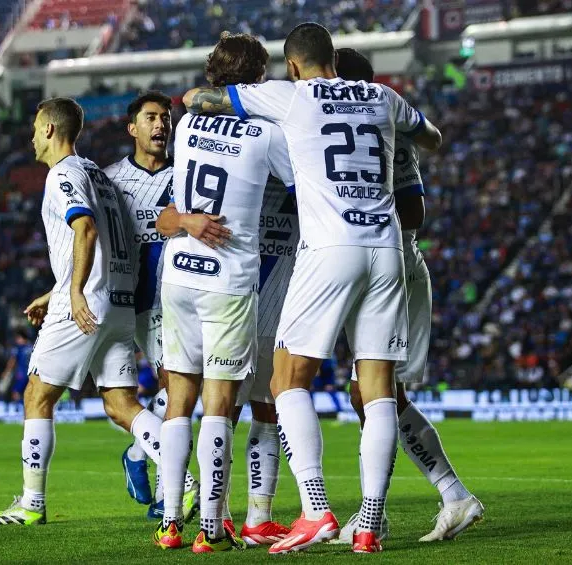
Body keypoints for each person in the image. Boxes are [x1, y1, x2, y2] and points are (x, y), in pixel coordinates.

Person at [182, 22, 442, 554]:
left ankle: (317, 509)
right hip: (388, 248)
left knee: (286, 379)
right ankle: (369, 522)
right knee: (378, 387)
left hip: (329, 248)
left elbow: (200, 98)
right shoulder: (382, 96)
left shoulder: (292, 96)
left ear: (295, 64)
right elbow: (431, 137)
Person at [0, 98, 167, 526]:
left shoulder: (62, 174)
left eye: (33, 127)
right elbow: (105, 242)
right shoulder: (98, 175)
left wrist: (75, 291)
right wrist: (58, 289)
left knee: (37, 394)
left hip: (85, 303)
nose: (30, 137)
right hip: (119, 302)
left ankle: (31, 503)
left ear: (48, 129)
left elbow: (82, 227)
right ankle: (183, 482)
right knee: (121, 404)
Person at [333, 47, 484, 544]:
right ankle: (400, 504)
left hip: (392, 268)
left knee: (376, 394)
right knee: (371, 395)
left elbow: (415, 215)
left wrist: (362, 227)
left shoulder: (389, 134)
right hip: (378, 270)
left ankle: (447, 494)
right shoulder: (383, 128)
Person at [153, 32, 295, 553]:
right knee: (219, 404)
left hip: (179, 274)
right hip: (229, 281)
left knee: (178, 402)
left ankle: (170, 522)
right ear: (259, 78)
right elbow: (304, 185)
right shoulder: (265, 135)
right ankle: (212, 527)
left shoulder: (188, 125)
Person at [104, 92, 197, 519]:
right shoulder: (109, 181)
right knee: (177, 391)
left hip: (183, 294)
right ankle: (169, 491)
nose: (161, 125)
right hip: (135, 300)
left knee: (180, 391)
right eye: (151, 118)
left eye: (166, 118)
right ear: (132, 128)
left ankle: (141, 457)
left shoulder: (187, 175)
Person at [1, 329, 33, 406]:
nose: (16, 340)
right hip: (32, 374)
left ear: (22, 338)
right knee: (28, 392)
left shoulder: (18, 348)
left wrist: (6, 372)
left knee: (16, 392)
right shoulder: (32, 347)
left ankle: (20, 408)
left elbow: (12, 361)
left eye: (18, 338)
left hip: (21, 373)